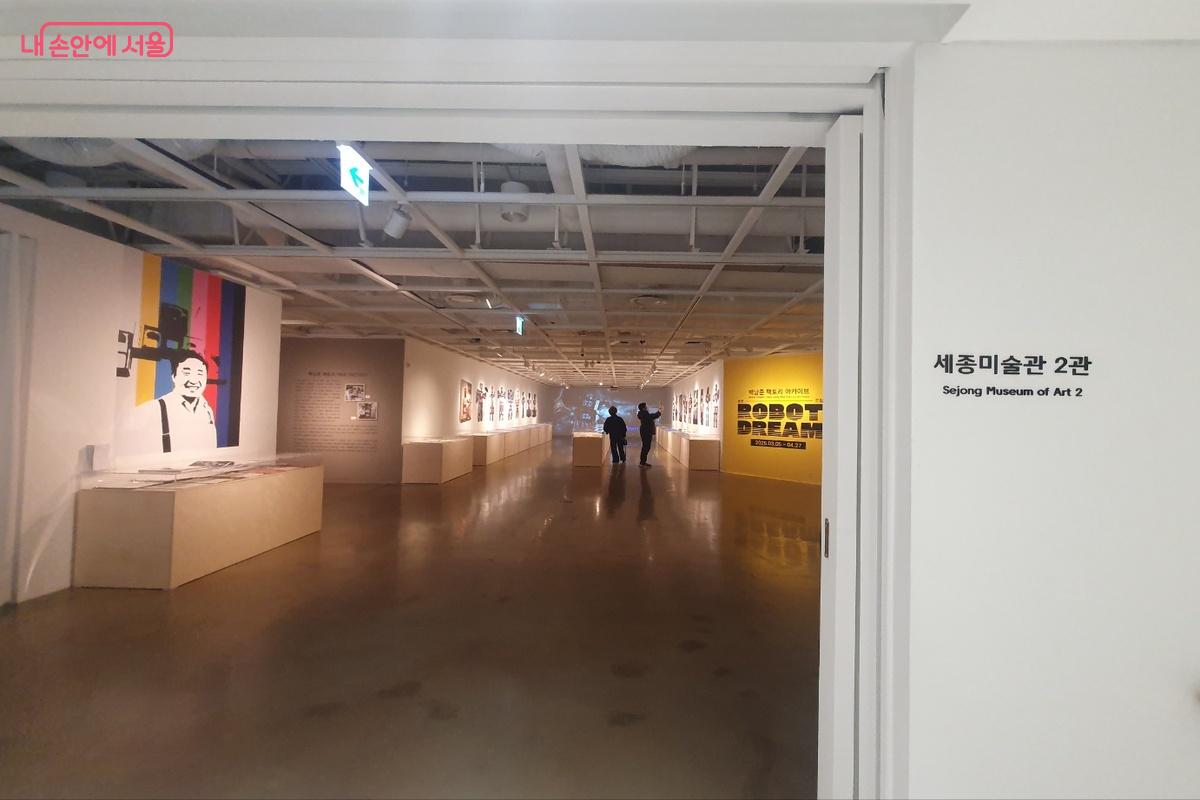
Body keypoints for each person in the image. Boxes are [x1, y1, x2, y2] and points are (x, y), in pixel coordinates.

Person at [130, 348, 218, 453]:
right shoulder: (152, 409)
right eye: (187, 373)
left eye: (200, 374)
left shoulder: (207, 411)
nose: (194, 380)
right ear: (173, 377)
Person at [636, 401, 661, 467]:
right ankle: (642, 462)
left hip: (644, 431)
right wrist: (659, 411)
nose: (647, 407)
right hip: (646, 432)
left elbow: (652, 416)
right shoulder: (645, 414)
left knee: (645, 446)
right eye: (646, 406)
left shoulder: (642, 414)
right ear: (643, 408)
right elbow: (653, 416)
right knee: (646, 447)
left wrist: (658, 412)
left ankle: (643, 461)